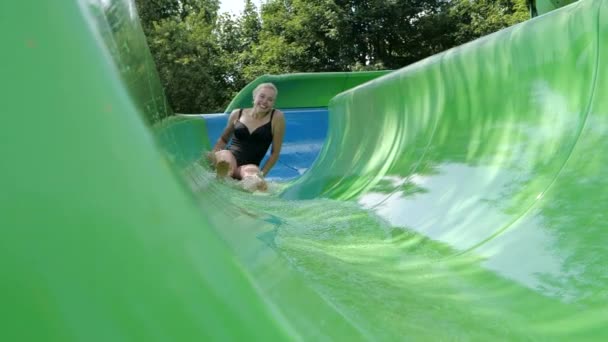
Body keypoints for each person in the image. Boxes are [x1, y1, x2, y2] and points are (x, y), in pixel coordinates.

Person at [206, 82, 286, 191]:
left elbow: (275, 153)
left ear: (273, 103)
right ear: (254, 96)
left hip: (249, 165)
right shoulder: (237, 113)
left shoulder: (276, 117)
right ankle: (223, 173)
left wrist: (262, 174)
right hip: (230, 156)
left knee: (252, 176)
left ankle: (250, 183)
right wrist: (212, 156)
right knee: (226, 161)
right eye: (262, 96)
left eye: (270, 99)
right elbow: (223, 139)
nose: (265, 101)